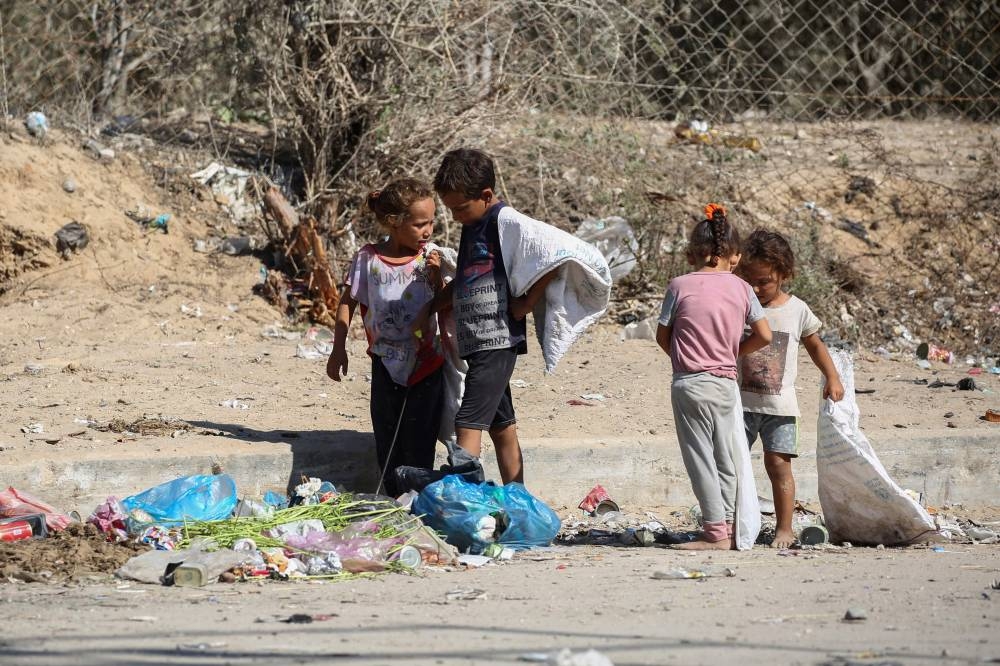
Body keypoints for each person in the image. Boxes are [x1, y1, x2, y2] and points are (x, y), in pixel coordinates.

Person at [429, 148, 558, 485]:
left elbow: (557, 254)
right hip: (477, 339)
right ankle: (518, 499)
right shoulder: (473, 224)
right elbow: (467, 279)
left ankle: (464, 504)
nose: (455, 216)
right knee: (503, 426)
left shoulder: (505, 220)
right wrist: (431, 306)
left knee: (467, 421)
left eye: (459, 208)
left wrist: (527, 303)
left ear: (485, 196)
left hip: (497, 338)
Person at [656, 204, 772, 550]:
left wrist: (685, 357)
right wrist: (732, 353)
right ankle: (732, 530)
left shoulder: (678, 286)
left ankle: (715, 533)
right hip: (724, 385)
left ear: (694, 253)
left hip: (689, 383)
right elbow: (764, 335)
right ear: (733, 255)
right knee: (726, 456)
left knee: (699, 458)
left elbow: (663, 335)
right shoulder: (742, 288)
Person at [326, 178, 445, 497]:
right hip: (385, 365)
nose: (428, 230)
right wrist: (338, 349)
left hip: (427, 365)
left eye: (432, 222)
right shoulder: (368, 259)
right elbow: (347, 303)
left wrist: (436, 275)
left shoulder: (429, 256)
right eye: (420, 224)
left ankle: (419, 504)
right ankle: (394, 502)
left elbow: (444, 301)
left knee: (421, 441)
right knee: (388, 439)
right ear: (395, 222)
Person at [735, 228, 845, 548]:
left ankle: (784, 528)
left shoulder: (797, 310)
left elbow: (815, 345)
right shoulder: (740, 305)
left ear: (785, 273)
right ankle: (731, 524)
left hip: (780, 409)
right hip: (738, 404)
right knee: (731, 464)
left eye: (764, 281)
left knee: (778, 465)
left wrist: (832, 378)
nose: (755, 288)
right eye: (749, 280)